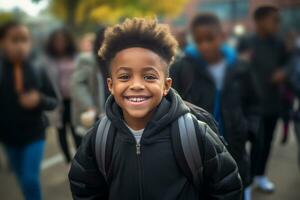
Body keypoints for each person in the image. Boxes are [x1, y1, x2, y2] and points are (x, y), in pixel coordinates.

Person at [68, 18, 242, 200]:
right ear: (110, 85)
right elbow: (85, 190)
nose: (136, 85)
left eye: (149, 77)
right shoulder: (98, 138)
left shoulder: (194, 134)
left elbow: (226, 188)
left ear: (166, 85)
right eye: (125, 76)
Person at [170, 13, 259, 199]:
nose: (205, 45)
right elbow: (170, 105)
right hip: (197, 152)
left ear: (222, 36)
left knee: (236, 189)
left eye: (210, 39)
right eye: (199, 40)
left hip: (235, 147)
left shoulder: (240, 67)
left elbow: (254, 104)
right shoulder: (182, 68)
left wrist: (249, 129)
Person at [0, 21, 58, 200]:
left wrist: (39, 99)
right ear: (2, 42)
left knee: (30, 180)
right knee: (22, 181)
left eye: (24, 40)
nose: (20, 45)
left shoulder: (38, 67)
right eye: (14, 40)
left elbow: (53, 101)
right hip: (8, 138)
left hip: (34, 134)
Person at [238, 5, 290, 192]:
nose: (278, 23)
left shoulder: (280, 43)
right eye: (273, 19)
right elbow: (235, 70)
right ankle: (247, 182)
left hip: (273, 102)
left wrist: (283, 72)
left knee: (267, 142)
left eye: (278, 20)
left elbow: (289, 64)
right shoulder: (246, 42)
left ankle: (260, 176)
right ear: (259, 21)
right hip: (251, 106)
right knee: (252, 143)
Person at [43, 28, 82, 164]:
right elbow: (46, 82)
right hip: (58, 102)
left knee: (77, 131)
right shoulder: (48, 60)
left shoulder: (76, 56)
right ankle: (68, 161)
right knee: (61, 132)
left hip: (74, 101)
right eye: (57, 41)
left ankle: (81, 161)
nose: (60, 43)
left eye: (62, 41)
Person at [71, 27, 106, 135]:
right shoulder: (87, 60)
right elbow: (77, 85)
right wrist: (89, 106)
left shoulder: (118, 60)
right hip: (95, 114)